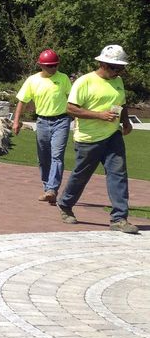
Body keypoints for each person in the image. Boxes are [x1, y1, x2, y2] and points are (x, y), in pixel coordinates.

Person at [57, 44, 137, 233]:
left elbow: (122, 104)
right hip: (88, 138)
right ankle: (65, 204)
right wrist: (99, 115)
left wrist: (126, 121)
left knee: (118, 174)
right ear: (102, 63)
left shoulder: (117, 81)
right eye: (115, 68)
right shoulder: (84, 82)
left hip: (112, 136)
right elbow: (71, 109)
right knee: (81, 174)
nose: (119, 72)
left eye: (121, 68)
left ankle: (119, 218)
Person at [12, 49, 72, 204]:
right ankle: (47, 188)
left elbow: (72, 101)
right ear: (41, 65)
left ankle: (52, 188)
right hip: (42, 122)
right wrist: (16, 121)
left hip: (61, 121)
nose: (53, 68)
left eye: (55, 65)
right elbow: (22, 101)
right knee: (43, 158)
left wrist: (77, 119)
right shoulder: (32, 80)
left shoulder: (63, 78)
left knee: (57, 156)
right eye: (49, 66)